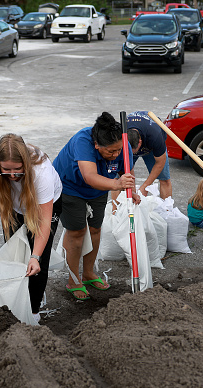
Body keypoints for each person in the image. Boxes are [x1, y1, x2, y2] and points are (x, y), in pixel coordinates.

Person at [53, 112, 137, 301]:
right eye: (111, 152)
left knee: (95, 229)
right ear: (97, 145)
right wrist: (117, 185)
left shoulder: (122, 143)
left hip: (99, 189)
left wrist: (133, 191)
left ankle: (88, 273)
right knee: (76, 232)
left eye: (118, 151)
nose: (116, 155)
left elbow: (128, 170)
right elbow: (89, 177)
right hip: (69, 186)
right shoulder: (82, 141)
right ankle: (73, 279)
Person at [0, 134, 62, 322]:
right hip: (13, 205)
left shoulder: (41, 172)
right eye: (6, 170)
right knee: (15, 252)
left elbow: (43, 221)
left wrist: (35, 256)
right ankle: (16, 306)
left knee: (38, 260)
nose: (13, 175)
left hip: (45, 205)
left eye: (18, 169)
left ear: (25, 162)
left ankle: (33, 312)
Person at [127, 111, 173, 199]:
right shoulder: (120, 134)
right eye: (129, 152)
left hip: (151, 146)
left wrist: (145, 187)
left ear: (140, 143)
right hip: (132, 140)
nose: (133, 154)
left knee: (164, 179)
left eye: (133, 152)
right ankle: (116, 211)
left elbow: (160, 162)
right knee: (119, 179)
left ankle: (167, 210)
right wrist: (132, 190)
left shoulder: (155, 136)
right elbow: (128, 167)